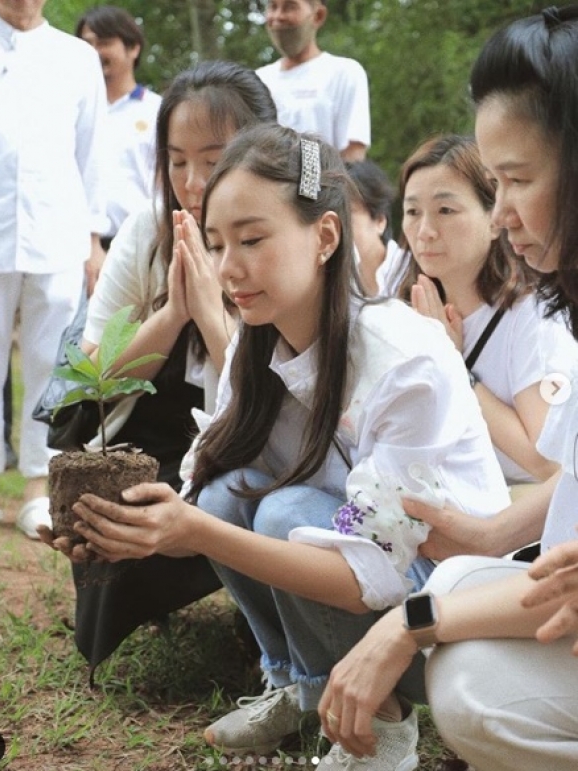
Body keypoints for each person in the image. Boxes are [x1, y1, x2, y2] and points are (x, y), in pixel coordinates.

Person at [47, 123, 511, 768]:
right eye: (215, 245)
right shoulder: (254, 349)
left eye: (252, 239)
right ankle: (305, 687)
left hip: (456, 618)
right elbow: (200, 505)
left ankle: (378, 725)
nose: (228, 268)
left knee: (285, 513)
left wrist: (199, 532)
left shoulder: (403, 357)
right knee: (221, 492)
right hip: (383, 593)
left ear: (324, 236)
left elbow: (365, 576)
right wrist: (121, 525)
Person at [317, 8, 578, 770]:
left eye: (516, 182)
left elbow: (541, 455)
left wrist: (410, 621)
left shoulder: (528, 318)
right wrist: (488, 538)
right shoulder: (401, 300)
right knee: (456, 574)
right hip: (526, 549)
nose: (504, 214)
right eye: (414, 213)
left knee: (470, 685)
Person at [41, 60, 279, 675]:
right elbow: (91, 376)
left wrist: (212, 313)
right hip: (155, 444)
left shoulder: (284, 240)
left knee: (243, 503)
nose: (193, 181)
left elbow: (270, 409)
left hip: (253, 448)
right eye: (176, 160)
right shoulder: (148, 232)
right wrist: (173, 314)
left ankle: (270, 618)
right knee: (117, 529)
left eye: (214, 157)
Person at [0, 0, 108, 539]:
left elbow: (92, 152)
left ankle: (36, 488)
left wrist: (93, 237)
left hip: (57, 230)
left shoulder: (76, 57)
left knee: (50, 364)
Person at [397, 134, 578, 490]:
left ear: (494, 219)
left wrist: (454, 365)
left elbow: (547, 462)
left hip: (518, 515)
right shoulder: (405, 307)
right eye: (412, 212)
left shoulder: (533, 315)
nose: (425, 231)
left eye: (445, 210)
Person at [76, 5, 162, 247]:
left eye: (103, 42)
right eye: (86, 43)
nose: (93, 52)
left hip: (142, 245)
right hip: (77, 246)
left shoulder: (159, 110)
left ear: (133, 47)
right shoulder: (69, 111)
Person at [256, 0, 370, 161]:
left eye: (290, 7)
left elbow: (354, 154)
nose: (278, 16)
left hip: (328, 184)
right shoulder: (258, 80)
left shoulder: (344, 72)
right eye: (273, 7)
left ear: (318, 16)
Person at [345, 159, 404, 297]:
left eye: (347, 216)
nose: (338, 228)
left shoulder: (411, 270)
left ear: (380, 221)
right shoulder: (330, 280)